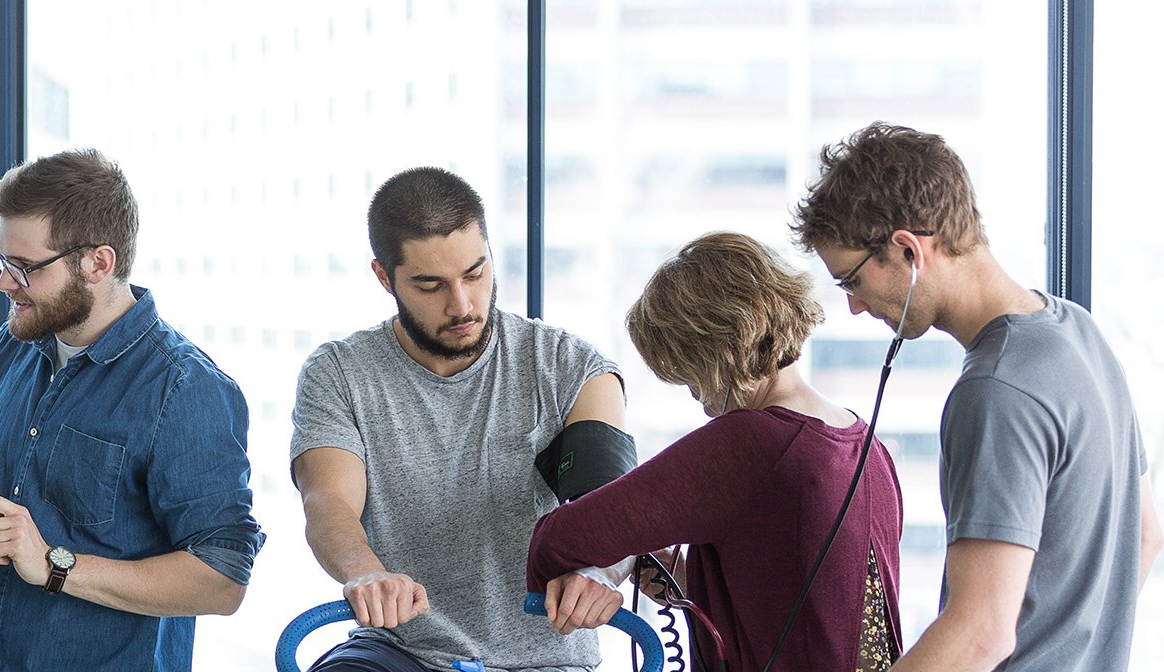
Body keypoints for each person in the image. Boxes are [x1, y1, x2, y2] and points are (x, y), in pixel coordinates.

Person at [792, 122, 1160, 672]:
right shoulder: (1079, 334)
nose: (855, 308)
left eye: (852, 281)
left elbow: (980, 633)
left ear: (907, 251)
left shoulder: (996, 389)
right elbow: (1146, 533)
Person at [291, 166, 631, 671]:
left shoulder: (572, 369)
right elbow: (329, 503)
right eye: (431, 285)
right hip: (400, 651)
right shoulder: (338, 373)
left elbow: (613, 508)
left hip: (547, 659)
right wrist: (364, 574)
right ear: (385, 278)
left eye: (475, 273)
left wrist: (599, 571)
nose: (463, 304)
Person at [0, 149, 264, 671]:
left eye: (25, 268)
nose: (5, 282)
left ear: (98, 263)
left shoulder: (183, 389)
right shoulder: (12, 346)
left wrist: (53, 565)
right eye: (2, 260)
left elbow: (223, 579)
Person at [526, 231, 905, 671]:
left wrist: (599, 568)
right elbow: (807, 611)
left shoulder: (750, 442)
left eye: (689, 375)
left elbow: (560, 538)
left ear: (712, 350)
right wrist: (689, 579)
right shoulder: (868, 447)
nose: (696, 397)